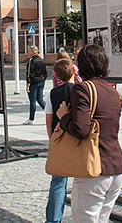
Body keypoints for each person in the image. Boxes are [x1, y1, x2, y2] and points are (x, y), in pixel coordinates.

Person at [57, 44, 122, 222]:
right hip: (116, 166)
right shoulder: (112, 91)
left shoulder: (83, 89)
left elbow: (81, 129)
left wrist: (64, 117)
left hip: (94, 168)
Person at [45, 58, 75, 223]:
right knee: (80, 179)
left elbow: (49, 119)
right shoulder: (79, 90)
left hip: (59, 138)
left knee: (58, 182)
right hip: (77, 138)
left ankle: (53, 219)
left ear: (56, 75)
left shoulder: (52, 94)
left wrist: (51, 139)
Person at [23, 46, 47, 125]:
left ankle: (31, 119)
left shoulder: (31, 61)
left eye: (29, 51)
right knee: (40, 100)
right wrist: (43, 79)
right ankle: (50, 112)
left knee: (32, 101)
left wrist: (28, 83)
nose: (28, 52)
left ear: (33, 52)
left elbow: (29, 73)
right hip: (41, 81)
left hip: (34, 82)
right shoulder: (41, 60)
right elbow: (45, 72)